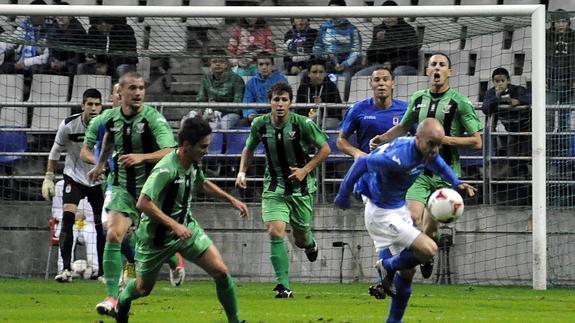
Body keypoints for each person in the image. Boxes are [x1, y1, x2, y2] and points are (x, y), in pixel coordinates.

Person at [335, 118, 476, 323]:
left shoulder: (425, 151)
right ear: (418, 138)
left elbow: (439, 163)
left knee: (408, 273)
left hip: (397, 208)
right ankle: (387, 266)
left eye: (439, 144)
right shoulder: (399, 157)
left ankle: (393, 318)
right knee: (429, 250)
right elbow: (363, 162)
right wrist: (343, 193)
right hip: (381, 214)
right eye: (432, 144)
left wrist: (456, 182)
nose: (435, 149)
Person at [114, 117, 249, 323]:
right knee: (142, 289)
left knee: (221, 272)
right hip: (155, 240)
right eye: (203, 147)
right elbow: (143, 203)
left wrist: (232, 200)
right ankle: (122, 300)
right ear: (186, 146)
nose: (207, 151)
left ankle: (235, 321)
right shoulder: (165, 169)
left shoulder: (194, 163)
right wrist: (173, 225)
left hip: (187, 229)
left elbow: (202, 183)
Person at [369, 53, 483, 278]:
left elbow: (477, 141)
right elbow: (403, 127)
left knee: (430, 230)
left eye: (442, 65)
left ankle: (428, 251)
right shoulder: (418, 98)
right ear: (427, 71)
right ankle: (411, 258)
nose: (437, 68)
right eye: (433, 65)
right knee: (412, 217)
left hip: (446, 172)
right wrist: (382, 138)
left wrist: (443, 139)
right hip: (419, 172)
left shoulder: (459, 102)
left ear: (449, 72)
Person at [83, 72, 177, 316]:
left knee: (157, 243)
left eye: (141, 88)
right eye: (133, 88)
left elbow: (170, 150)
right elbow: (109, 141)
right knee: (113, 234)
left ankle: (174, 260)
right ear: (120, 93)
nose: (138, 93)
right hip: (123, 188)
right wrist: (100, 164)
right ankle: (112, 297)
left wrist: (142, 157)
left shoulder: (153, 118)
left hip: (151, 189)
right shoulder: (111, 119)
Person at [235, 83, 331, 298]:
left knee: (300, 238)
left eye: (284, 100)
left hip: (301, 189)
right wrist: (242, 172)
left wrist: (305, 170)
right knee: (275, 230)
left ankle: (310, 243)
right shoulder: (260, 124)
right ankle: (283, 285)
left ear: (290, 102)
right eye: (276, 99)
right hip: (274, 187)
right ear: (270, 102)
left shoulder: (303, 124)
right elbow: (249, 148)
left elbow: (326, 148)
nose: (280, 104)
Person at [41, 88, 105, 282]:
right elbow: (55, 151)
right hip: (74, 177)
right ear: (82, 105)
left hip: (98, 179)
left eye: (97, 104)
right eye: (90, 104)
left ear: (101, 106)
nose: (93, 108)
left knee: (101, 225)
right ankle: (66, 269)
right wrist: (49, 176)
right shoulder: (69, 125)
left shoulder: (107, 125)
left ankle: (102, 271)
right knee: (68, 218)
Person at [337, 67, 408, 159]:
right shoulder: (358, 109)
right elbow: (341, 139)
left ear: (392, 83)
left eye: (385, 80)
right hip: (369, 163)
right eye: (377, 80)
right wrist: (356, 153)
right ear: (371, 84)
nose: (381, 83)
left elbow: (418, 137)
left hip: (398, 165)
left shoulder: (405, 108)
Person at [481, 67, 531, 178]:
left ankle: (528, 177)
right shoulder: (491, 94)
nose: (500, 84)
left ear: (508, 81)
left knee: (526, 155)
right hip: (512, 131)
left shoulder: (517, 90)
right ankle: (519, 179)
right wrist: (497, 98)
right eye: (497, 81)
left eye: (502, 81)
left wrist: (519, 101)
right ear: (493, 82)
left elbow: (531, 97)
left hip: (527, 128)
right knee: (512, 158)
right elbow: (485, 109)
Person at [183, 48, 245, 130]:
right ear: (210, 63)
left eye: (221, 62)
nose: (218, 64)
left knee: (223, 124)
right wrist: (199, 112)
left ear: (226, 64)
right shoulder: (205, 79)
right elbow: (201, 101)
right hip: (210, 111)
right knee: (188, 121)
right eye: (214, 62)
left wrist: (217, 107)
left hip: (231, 114)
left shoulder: (237, 80)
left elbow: (237, 107)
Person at [313, 0, 362, 100]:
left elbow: (356, 50)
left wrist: (344, 64)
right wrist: (323, 55)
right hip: (326, 64)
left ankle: (342, 106)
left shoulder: (352, 29)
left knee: (346, 78)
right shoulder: (324, 28)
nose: (333, 13)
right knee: (311, 76)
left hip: (346, 65)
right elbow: (317, 47)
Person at [357, 0, 420, 77]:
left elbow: (413, 57)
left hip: (403, 66)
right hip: (382, 66)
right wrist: (378, 42)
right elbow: (372, 57)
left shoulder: (408, 30)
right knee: (360, 75)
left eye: (391, 15)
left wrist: (392, 64)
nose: (388, 18)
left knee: (397, 72)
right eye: (385, 16)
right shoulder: (378, 29)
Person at [51, 180, 99, 280]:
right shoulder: (60, 185)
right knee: (66, 230)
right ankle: (64, 268)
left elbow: (97, 212)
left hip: (88, 223)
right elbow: (56, 211)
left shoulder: (94, 183)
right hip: (69, 222)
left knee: (92, 233)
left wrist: (87, 217)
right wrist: (72, 216)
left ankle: (96, 269)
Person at [40, 1, 86, 76]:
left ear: (70, 16)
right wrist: (53, 61)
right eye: (58, 14)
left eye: (63, 14)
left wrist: (64, 63)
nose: (60, 17)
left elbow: (80, 57)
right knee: (43, 68)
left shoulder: (78, 30)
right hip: (57, 62)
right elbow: (51, 52)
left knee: (72, 69)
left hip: (71, 63)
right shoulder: (52, 29)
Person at [242, 51, 288, 124]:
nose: (264, 67)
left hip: (276, 114)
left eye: (267, 64)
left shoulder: (281, 80)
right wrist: (250, 113)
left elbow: (284, 101)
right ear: (257, 66)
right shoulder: (251, 83)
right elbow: (247, 101)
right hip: (256, 116)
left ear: (272, 66)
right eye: (261, 64)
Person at [295, 57, 342, 125]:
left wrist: (322, 106)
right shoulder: (303, 87)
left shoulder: (331, 87)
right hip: (307, 121)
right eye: (314, 72)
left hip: (326, 122)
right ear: (308, 73)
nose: (318, 76)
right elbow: (298, 110)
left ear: (325, 73)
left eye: (321, 72)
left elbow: (338, 112)